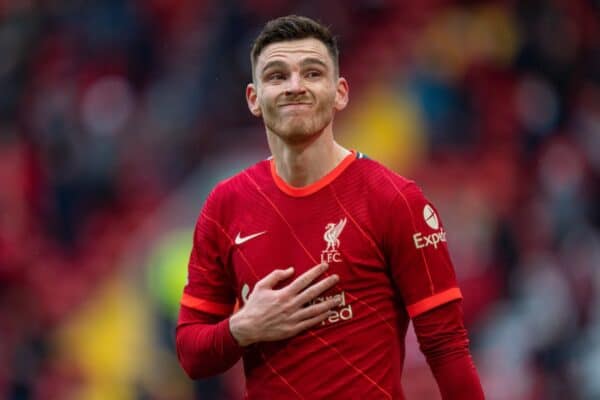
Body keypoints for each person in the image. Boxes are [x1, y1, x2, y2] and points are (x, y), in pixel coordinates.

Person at [176, 15, 485, 399]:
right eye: (276, 75)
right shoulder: (226, 204)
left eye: (312, 73)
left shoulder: (394, 200)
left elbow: (447, 349)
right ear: (254, 99)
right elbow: (191, 354)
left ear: (340, 92)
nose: (295, 87)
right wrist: (244, 327)